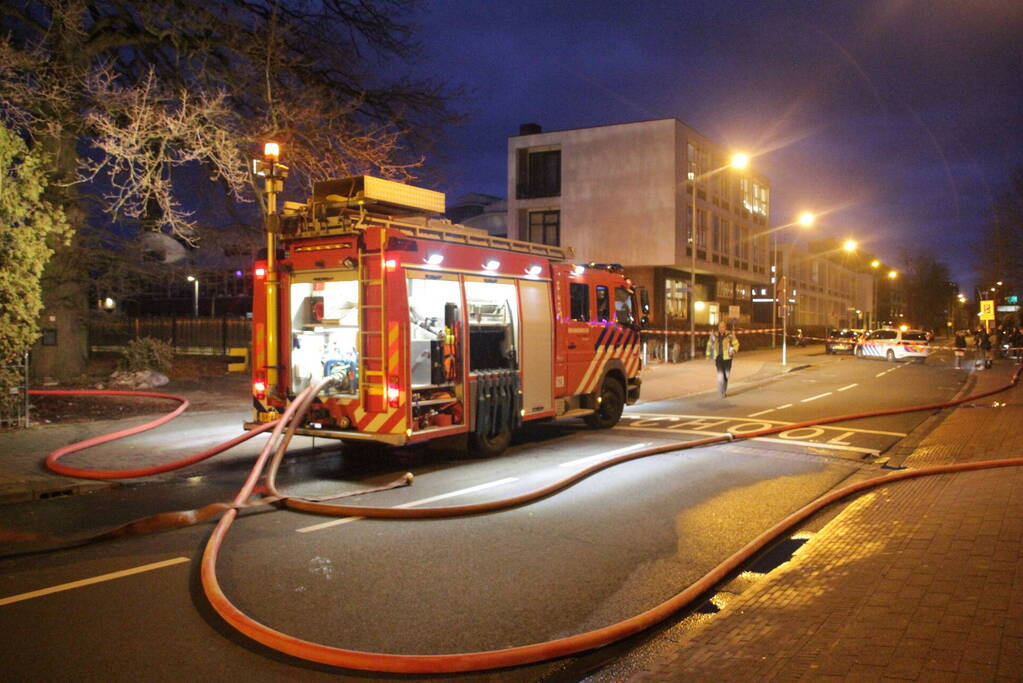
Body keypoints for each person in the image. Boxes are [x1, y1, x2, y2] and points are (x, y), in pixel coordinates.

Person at [706, 320, 740, 398]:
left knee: (726, 376)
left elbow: (736, 344)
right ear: (718, 327)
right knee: (720, 374)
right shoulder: (714, 335)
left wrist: (734, 350)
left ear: (725, 327)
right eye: (720, 327)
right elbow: (709, 344)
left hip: (728, 358)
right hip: (718, 358)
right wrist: (708, 354)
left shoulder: (730, 335)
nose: (721, 328)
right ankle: (721, 391)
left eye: (723, 327)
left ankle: (724, 390)